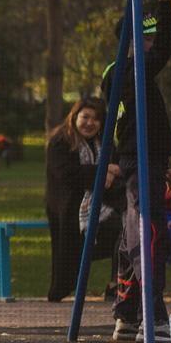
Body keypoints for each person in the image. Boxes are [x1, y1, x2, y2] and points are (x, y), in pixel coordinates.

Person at [101, 0, 171, 342]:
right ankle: (154, 317)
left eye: (150, 37)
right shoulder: (128, 70)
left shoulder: (133, 74)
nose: (152, 43)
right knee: (147, 236)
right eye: (143, 37)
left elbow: (140, 122)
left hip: (141, 157)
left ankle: (127, 313)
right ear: (131, 41)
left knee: (131, 236)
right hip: (137, 158)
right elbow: (165, 48)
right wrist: (165, 7)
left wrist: (160, 162)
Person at [44, 97, 122, 303]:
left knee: (129, 226)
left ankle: (117, 283)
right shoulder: (60, 141)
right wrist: (102, 170)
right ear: (74, 116)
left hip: (102, 201)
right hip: (69, 205)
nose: (90, 123)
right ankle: (61, 289)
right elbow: (67, 175)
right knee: (116, 226)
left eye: (95, 119)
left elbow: (118, 169)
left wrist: (107, 174)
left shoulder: (103, 143)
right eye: (85, 116)